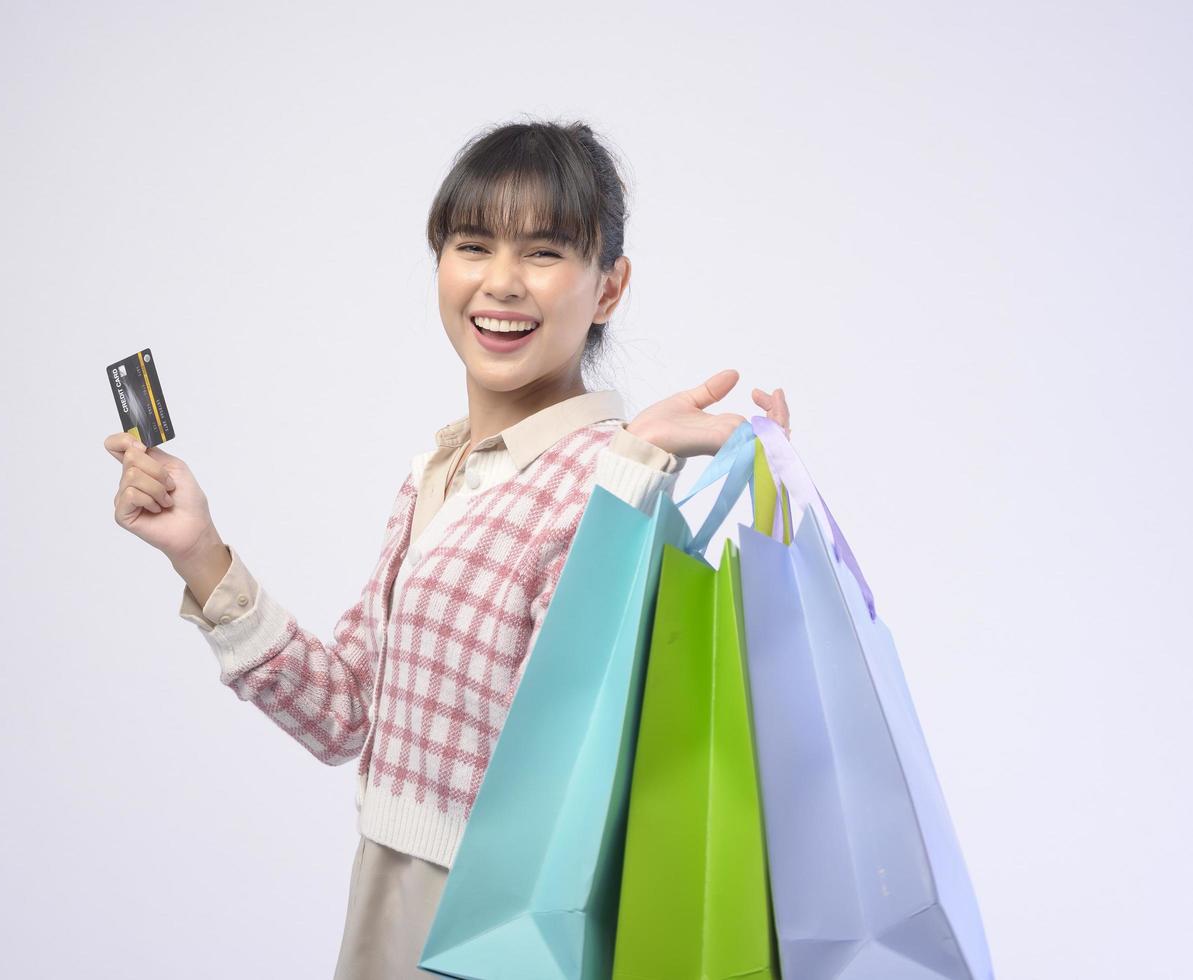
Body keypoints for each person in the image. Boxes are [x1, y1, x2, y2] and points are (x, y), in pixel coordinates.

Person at [103, 118, 793, 979]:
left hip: (508, 914)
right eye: (472, 245)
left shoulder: (610, 482)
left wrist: (629, 480)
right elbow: (346, 714)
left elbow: (570, 746)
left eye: (543, 253)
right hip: (390, 893)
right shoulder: (441, 469)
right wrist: (200, 552)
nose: (499, 284)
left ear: (607, 287)